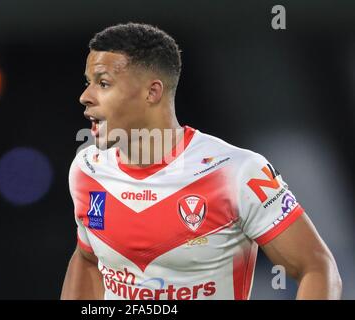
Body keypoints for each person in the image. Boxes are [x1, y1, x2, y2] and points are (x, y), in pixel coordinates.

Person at [61, 22, 342, 300]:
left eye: (104, 83)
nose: (85, 96)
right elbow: (88, 260)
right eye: (89, 83)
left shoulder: (237, 172)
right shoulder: (87, 170)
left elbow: (316, 267)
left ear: (152, 92)